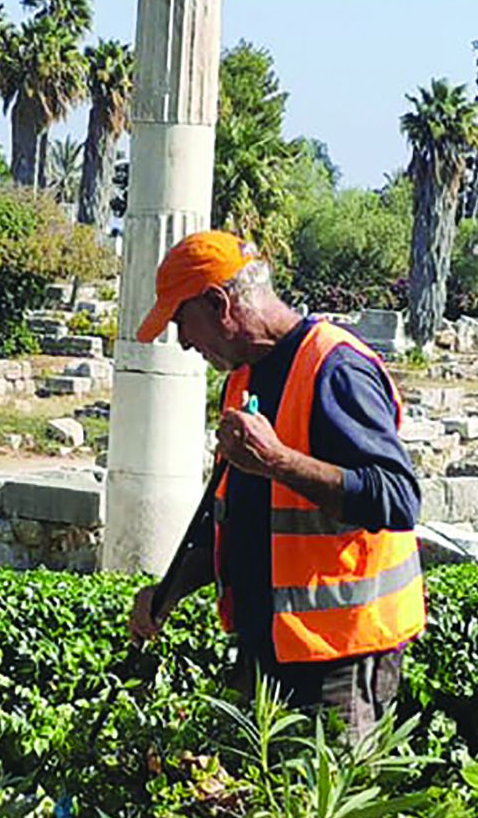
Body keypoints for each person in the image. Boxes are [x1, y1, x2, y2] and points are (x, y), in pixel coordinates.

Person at [125, 231, 424, 736]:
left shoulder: (336, 368)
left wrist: (279, 460)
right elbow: (244, 520)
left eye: (181, 321)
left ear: (219, 304)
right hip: (270, 650)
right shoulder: (243, 379)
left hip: (339, 663)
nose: (183, 341)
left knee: (327, 815)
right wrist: (169, 592)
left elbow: (397, 498)